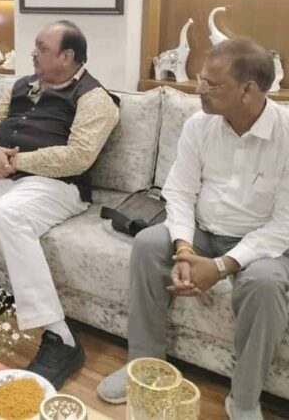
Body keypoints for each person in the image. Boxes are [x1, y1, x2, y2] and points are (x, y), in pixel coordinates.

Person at [0, 21, 120, 389]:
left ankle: (60, 336)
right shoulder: (23, 85)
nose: (33, 53)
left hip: (57, 186)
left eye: (42, 48)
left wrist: (16, 161)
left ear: (67, 56)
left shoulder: (96, 99)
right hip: (5, 176)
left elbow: (79, 156)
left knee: (5, 214)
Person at [97, 38, 289, 420]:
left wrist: (220, 267)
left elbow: (284, 225)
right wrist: (184, 250)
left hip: (262, 243)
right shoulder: (199, 124)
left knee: (265, 284)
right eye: (200, 78)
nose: (199, 89)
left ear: (248, 90)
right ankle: (145, 366)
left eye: (211, 84)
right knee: (149, 244)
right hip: (202, 229)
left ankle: (244, 399)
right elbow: (180, 193)